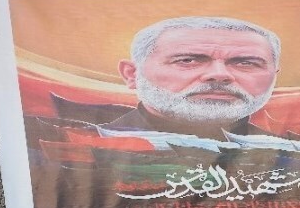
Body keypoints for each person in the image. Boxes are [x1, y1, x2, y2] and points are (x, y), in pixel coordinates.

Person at [102, 16, 281, 140]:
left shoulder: (294, 157)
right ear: (132, 74)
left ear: (274, 76)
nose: (219, 74)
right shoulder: (88, 152)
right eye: (187, 60)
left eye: (246, 63)